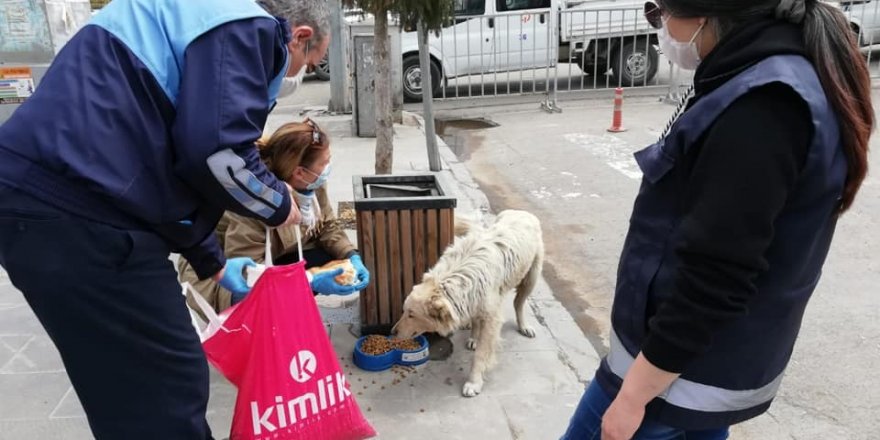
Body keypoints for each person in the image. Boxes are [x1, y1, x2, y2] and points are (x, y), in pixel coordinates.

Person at [0, 0, 330, 438]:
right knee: (165, 393)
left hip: (47, 201)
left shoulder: (182, 16)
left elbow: (158, 165)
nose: (297, 75)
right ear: (300, 36)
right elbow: (216, 151)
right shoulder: (245, 25)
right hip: (77, 212)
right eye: (308, 62)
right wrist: (279, 203)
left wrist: (210, 260)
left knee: (128, 394)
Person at [561, 0, 873, 439]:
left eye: (658, 13)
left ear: (703, 15)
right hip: (695, 368)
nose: (660, 28)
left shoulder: (762, 107)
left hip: (668, 376)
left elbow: (716, 274)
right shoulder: (760, 74)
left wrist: (632, 396)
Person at [179, 119, 370, 314]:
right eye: (325, 162)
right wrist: (310, 280)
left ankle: (289, 310)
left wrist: (351, 255)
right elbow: (248, 275)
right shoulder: (255, 198)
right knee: (266, 292)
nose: (328, 167)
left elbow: (328, 225)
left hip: (272, 257)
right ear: (299, 172)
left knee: (327, 257)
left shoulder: (312, 183)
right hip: (222, 278)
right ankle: (267, 321)